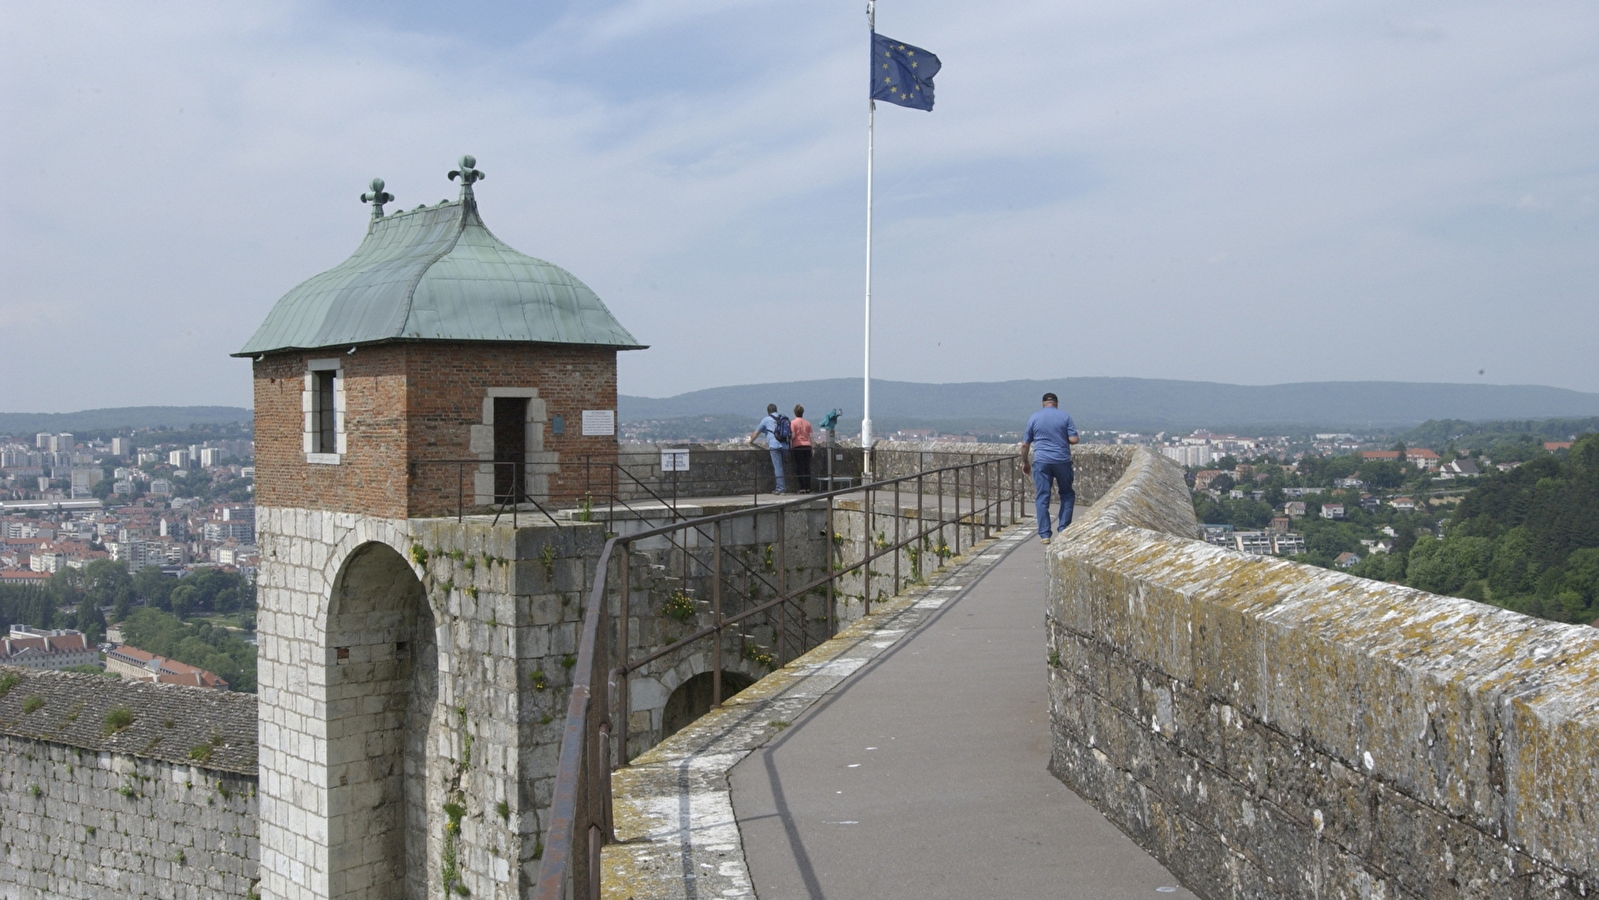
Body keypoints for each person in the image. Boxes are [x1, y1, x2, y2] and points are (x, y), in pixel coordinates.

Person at [1021, 392, 1079, 544]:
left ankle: (1045, 534)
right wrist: (1061, 436)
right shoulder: (1065, 417)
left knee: (1042, 497)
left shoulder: (1034, 418)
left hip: (1041, 461)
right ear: (1056, 403)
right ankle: (1063, 528)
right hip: (1062, 460)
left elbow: (1025, 444)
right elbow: (1074, 439)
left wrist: (1025, 462)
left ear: (1043, 403)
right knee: (1066, 494)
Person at [750, 403, 790, 493]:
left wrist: (750, 441)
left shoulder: (766, 419)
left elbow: (756, 433)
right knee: (780, 466)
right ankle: (780, 486)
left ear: (768, 411)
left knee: (778, 467)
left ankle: (781, 488)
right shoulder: (783, 417)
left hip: (775, 445)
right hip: (785, 445)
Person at [790, 405, 814, 492]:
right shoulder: (807, 423)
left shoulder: (793, 423)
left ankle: (802, 487)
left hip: (798, 446)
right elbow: (811, 437)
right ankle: (808, 487)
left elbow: (792, 435)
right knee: (807, 467)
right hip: (807, 446)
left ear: (794, 413)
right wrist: (813, 448)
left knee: (800, 466)